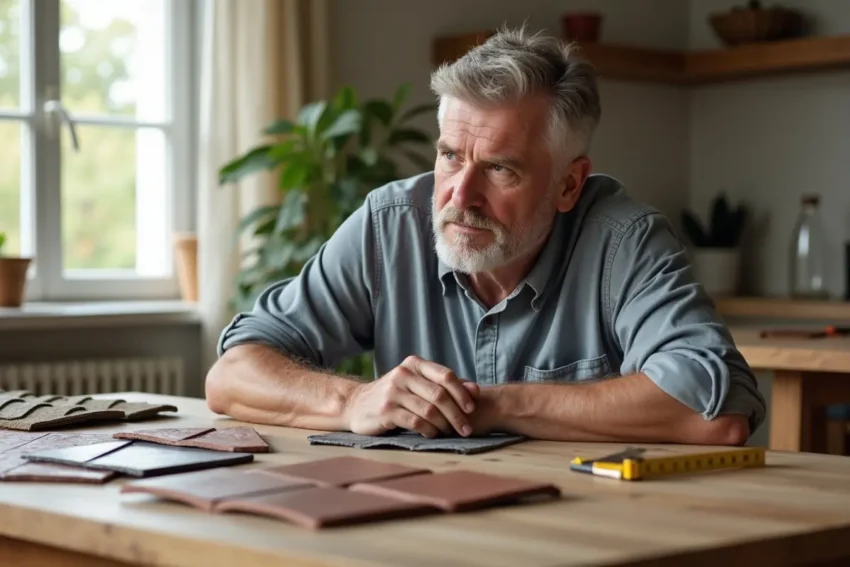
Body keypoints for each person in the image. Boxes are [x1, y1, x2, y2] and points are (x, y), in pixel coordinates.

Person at [206, 26, 765, 445]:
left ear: (569, 184)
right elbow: (233, 374)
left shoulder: (623, 240)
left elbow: (711, 409)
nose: (459, 196)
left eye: (500, 168)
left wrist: (490, 405)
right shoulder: (390, 224)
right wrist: (354, 400)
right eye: (451, 156)